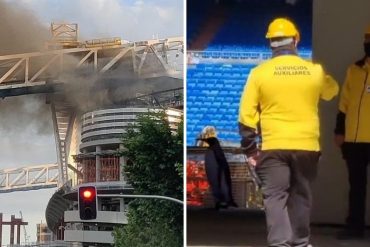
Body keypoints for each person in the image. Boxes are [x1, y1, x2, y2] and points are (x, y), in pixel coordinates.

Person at [238, 18, 339, 247]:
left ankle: (280, 243)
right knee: (300, 195)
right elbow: (331, 91)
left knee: (275, 197)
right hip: (307, 146)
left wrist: (250, 150)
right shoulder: (314, 71)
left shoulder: (259, 73)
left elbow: (246, 116)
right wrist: (319, 75)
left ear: (271, 43)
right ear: (296, 40)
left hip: (274, 145)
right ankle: (301, 242)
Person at [334, 25, 370, 239]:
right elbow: (344, 104)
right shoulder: (354, 70)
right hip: (355, 140)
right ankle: (354, 227)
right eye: (367, 38)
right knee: (356, 188)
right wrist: (340, 131)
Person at [196, 126, 238, 209]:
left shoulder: (212, 151)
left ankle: (223, 201)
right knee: (220, 183)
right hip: (219, 171)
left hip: (217, 172)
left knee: (218, 183)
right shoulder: (216, 150)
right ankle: (224, 201)